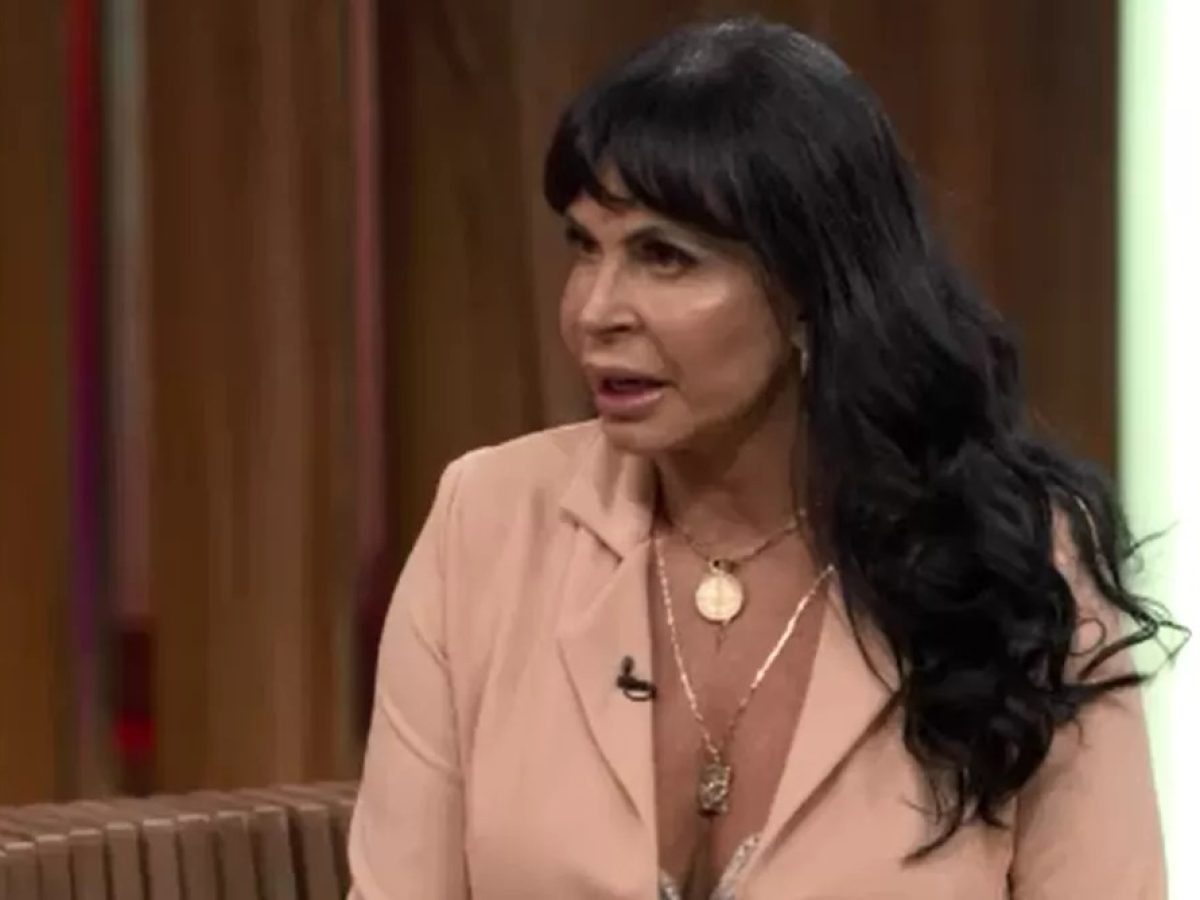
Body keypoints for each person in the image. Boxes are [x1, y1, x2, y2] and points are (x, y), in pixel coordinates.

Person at [348, 17, 1180, 899]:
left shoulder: (1019, 561)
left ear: (812, 291)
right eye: (586, 247)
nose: (594, 311)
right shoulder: (487, 520)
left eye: (663, 257)